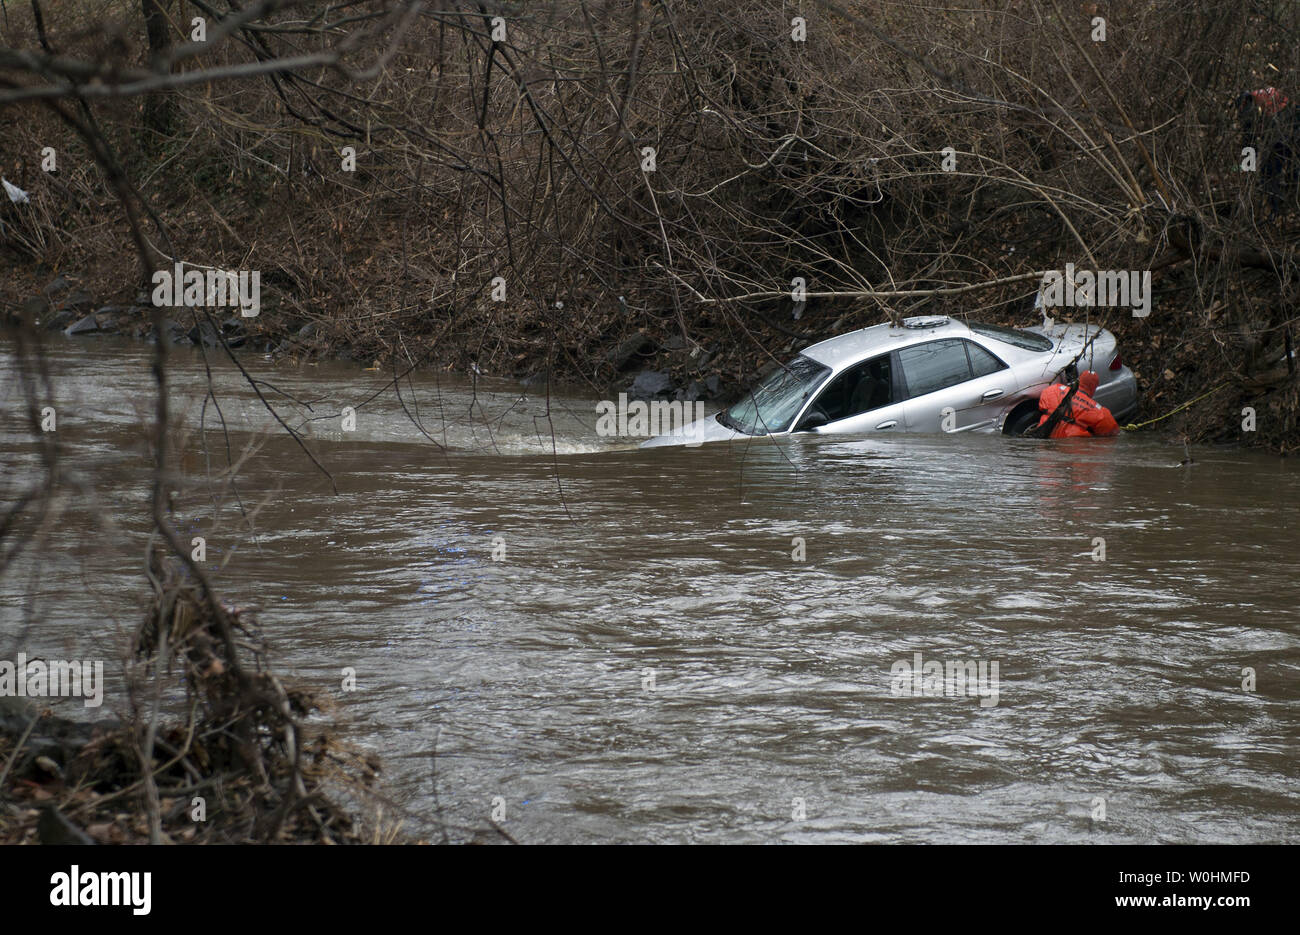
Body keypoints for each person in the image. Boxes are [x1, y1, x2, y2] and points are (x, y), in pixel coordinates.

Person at [1036, 370, 1120, 438]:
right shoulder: (1100, 412)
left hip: (1045, 434)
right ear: (1094, 388)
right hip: (1072, 446)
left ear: (1079, 380)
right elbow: (1112, 431)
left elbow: (1043, 403)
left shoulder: (1055, 389)